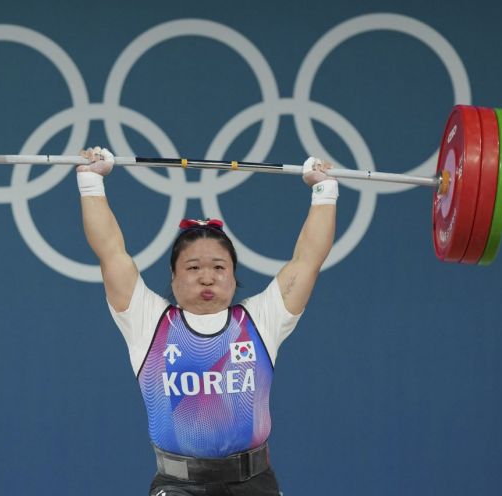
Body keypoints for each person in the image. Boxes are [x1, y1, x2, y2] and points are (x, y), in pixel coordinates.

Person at [76, 147, 337, 496]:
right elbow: (110, 250)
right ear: (173, 277)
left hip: (254, 485)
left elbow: (308, 259)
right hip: (178, 486)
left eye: (218, 267)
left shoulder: (261, 319)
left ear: (233, 276)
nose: (207, 278)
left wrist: (324, 190)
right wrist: (91, 181)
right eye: (193, 267)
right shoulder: (147, 320)